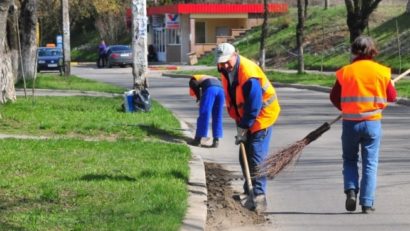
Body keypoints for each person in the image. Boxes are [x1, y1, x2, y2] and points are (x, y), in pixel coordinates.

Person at [330, 36, 397, 214]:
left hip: (350, 123)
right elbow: (392, 97)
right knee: (370, 163)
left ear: (353, 51)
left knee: (350, 159)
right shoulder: (382, 72)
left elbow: (334, 97)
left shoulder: (345, 72)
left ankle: (351, 190)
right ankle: (367, 203)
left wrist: (346, 109)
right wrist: (387, 84)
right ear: (372, 51)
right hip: (372, 123)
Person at [215, 43, 281, 212]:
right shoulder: (225, 70)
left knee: (256, 155)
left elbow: (254, 105)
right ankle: (248, 191)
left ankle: (259, 196)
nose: (225, 65)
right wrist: (240, 124)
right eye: (222, 62)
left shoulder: (249, 74)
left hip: (262, 116)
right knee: (244, 154)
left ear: (235, 55)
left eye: (227, 61)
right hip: (245, 118)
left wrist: (244, 126)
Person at [189, 74, 224, 148]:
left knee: (204, 113)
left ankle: (198, 140)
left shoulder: (193, 79)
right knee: (218, 115)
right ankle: (216, 140)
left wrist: (199, 98)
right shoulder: (205, 77)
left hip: (210, 88)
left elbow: (195, 86)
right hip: (221, 90)